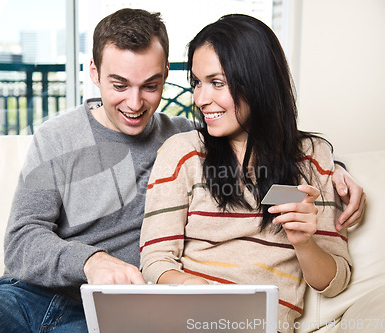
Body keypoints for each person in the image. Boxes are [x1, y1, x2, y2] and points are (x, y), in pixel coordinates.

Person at [0, 8, 363, 333]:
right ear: (94, 73)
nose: (135, 104)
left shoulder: (185, 139)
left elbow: (262, 145)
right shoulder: (58, 138)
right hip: (25, 296)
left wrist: (335, 170)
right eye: (119, 86)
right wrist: (92, 260)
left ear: (164, 77)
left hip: (115, 309)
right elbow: (22, 242)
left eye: (151, 86)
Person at [139, 14, 352, 333]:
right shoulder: (183, 152)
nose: (200, 99)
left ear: (258, 80)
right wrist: (193, 289)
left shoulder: (311, 157)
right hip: (188, 320)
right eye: (197, 82)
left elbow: (335, 282)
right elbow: (155, 261)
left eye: (217, 82)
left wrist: (304, 243)